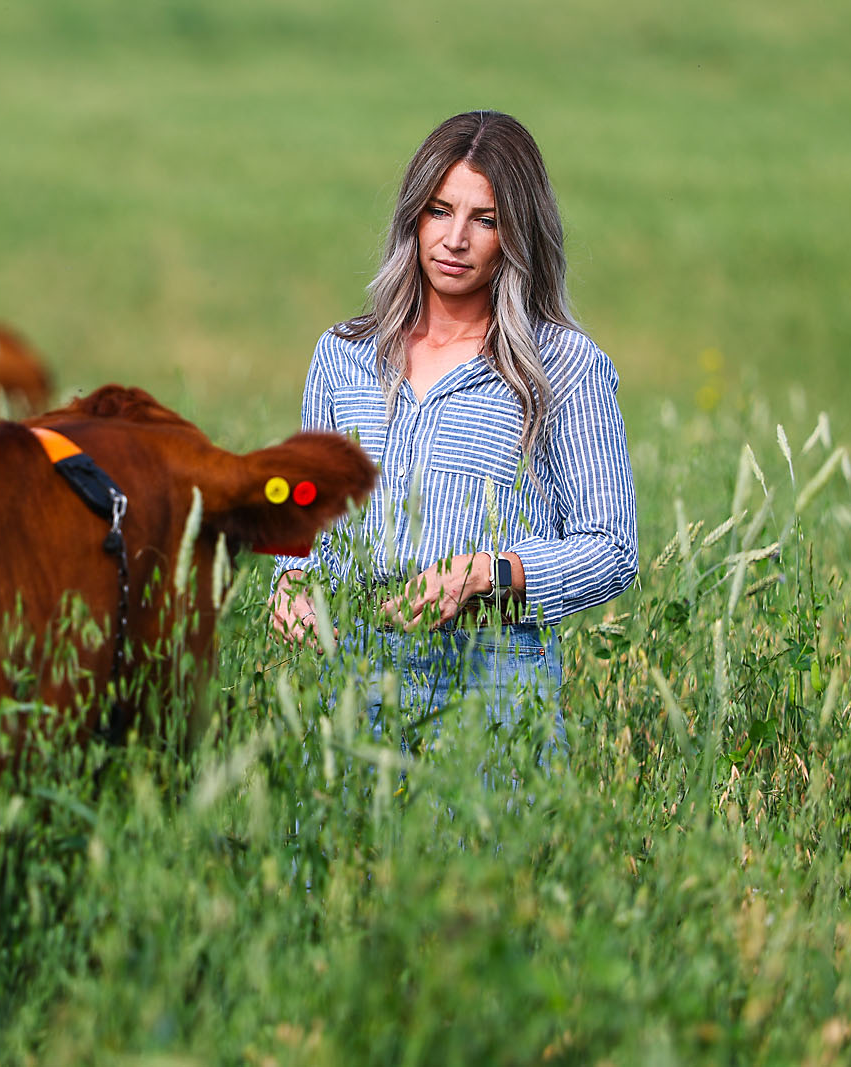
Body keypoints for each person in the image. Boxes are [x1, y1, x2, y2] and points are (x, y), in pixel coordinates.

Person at [270, 110, 637, 746]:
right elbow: (303, 514)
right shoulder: (344, 355)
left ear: (517, 235)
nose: (455, 239)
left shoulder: (563, 367)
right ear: (413, 217)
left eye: (485, 220)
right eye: (439, 211)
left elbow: (611, 549)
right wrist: (290, 580)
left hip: (490, 681)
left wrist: (487, 574)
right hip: (345, 679)